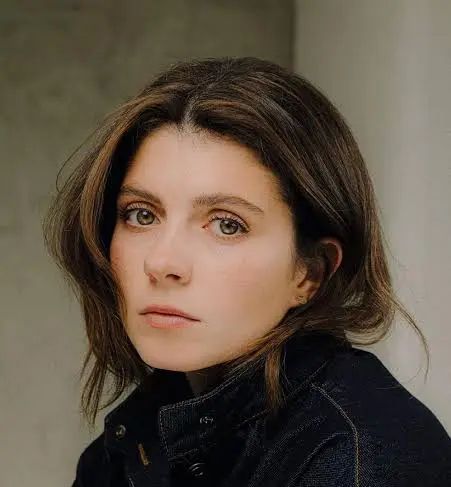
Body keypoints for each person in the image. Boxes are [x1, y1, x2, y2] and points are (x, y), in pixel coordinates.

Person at [43, 56, 451, 486]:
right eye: (142, 214)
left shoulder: (356, 462)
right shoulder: (136, 442)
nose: (162, 263)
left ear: (309, 273)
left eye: (227, 225)